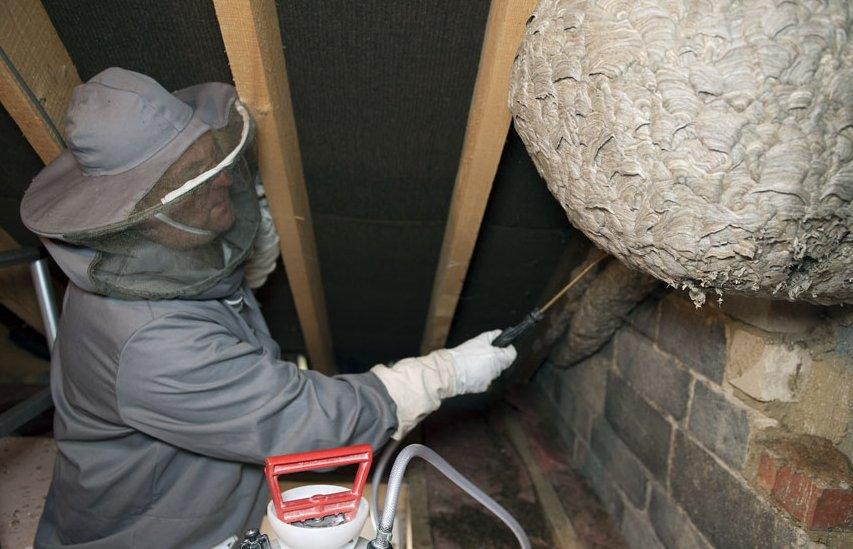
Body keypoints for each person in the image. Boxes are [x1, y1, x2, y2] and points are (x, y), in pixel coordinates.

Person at [20, 67, 517, 548]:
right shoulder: (150, 345)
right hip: (158, 534)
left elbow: (209, 308)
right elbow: (306, 424)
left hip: (200, 497)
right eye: (197, 177)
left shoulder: (144, 266)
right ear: (144, 215)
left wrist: (250, 262)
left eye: (215, 159)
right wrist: (444, 374)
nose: (221, 182)